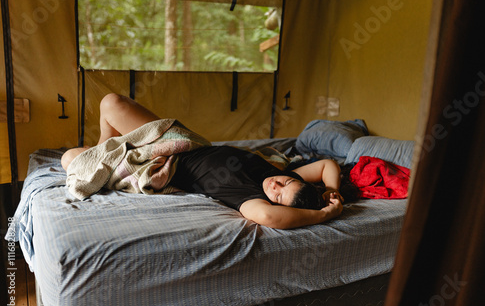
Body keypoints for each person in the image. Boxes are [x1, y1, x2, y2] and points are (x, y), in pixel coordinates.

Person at [62, 93, 344, 229]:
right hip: (182, 142)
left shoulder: (252, 199)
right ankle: (104, 146)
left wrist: (323, 215)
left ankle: (105, 150)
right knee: (111, 102)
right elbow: (327, 165)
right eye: (286, 182)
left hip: (163, 164)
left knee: (71, 160)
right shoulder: (276, 171)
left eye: (279, 195)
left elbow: (271, 218)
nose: (276, 185)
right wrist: (333, 190)